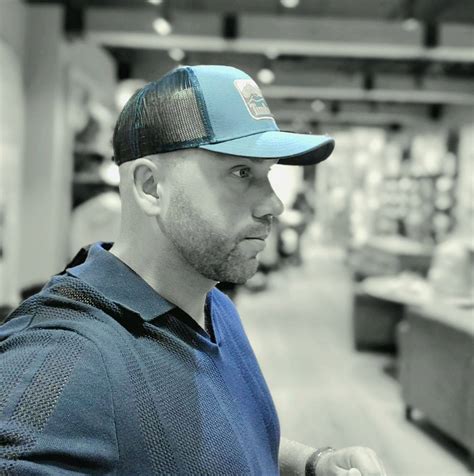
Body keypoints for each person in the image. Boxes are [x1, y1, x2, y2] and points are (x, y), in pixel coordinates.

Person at [0, 65, 386, 476]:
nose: (274, 204)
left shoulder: (212, 304)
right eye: (241, 172)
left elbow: (215, 440)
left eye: (267, 173)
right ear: (150, 186)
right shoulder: (63, 355)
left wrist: (310, 462)